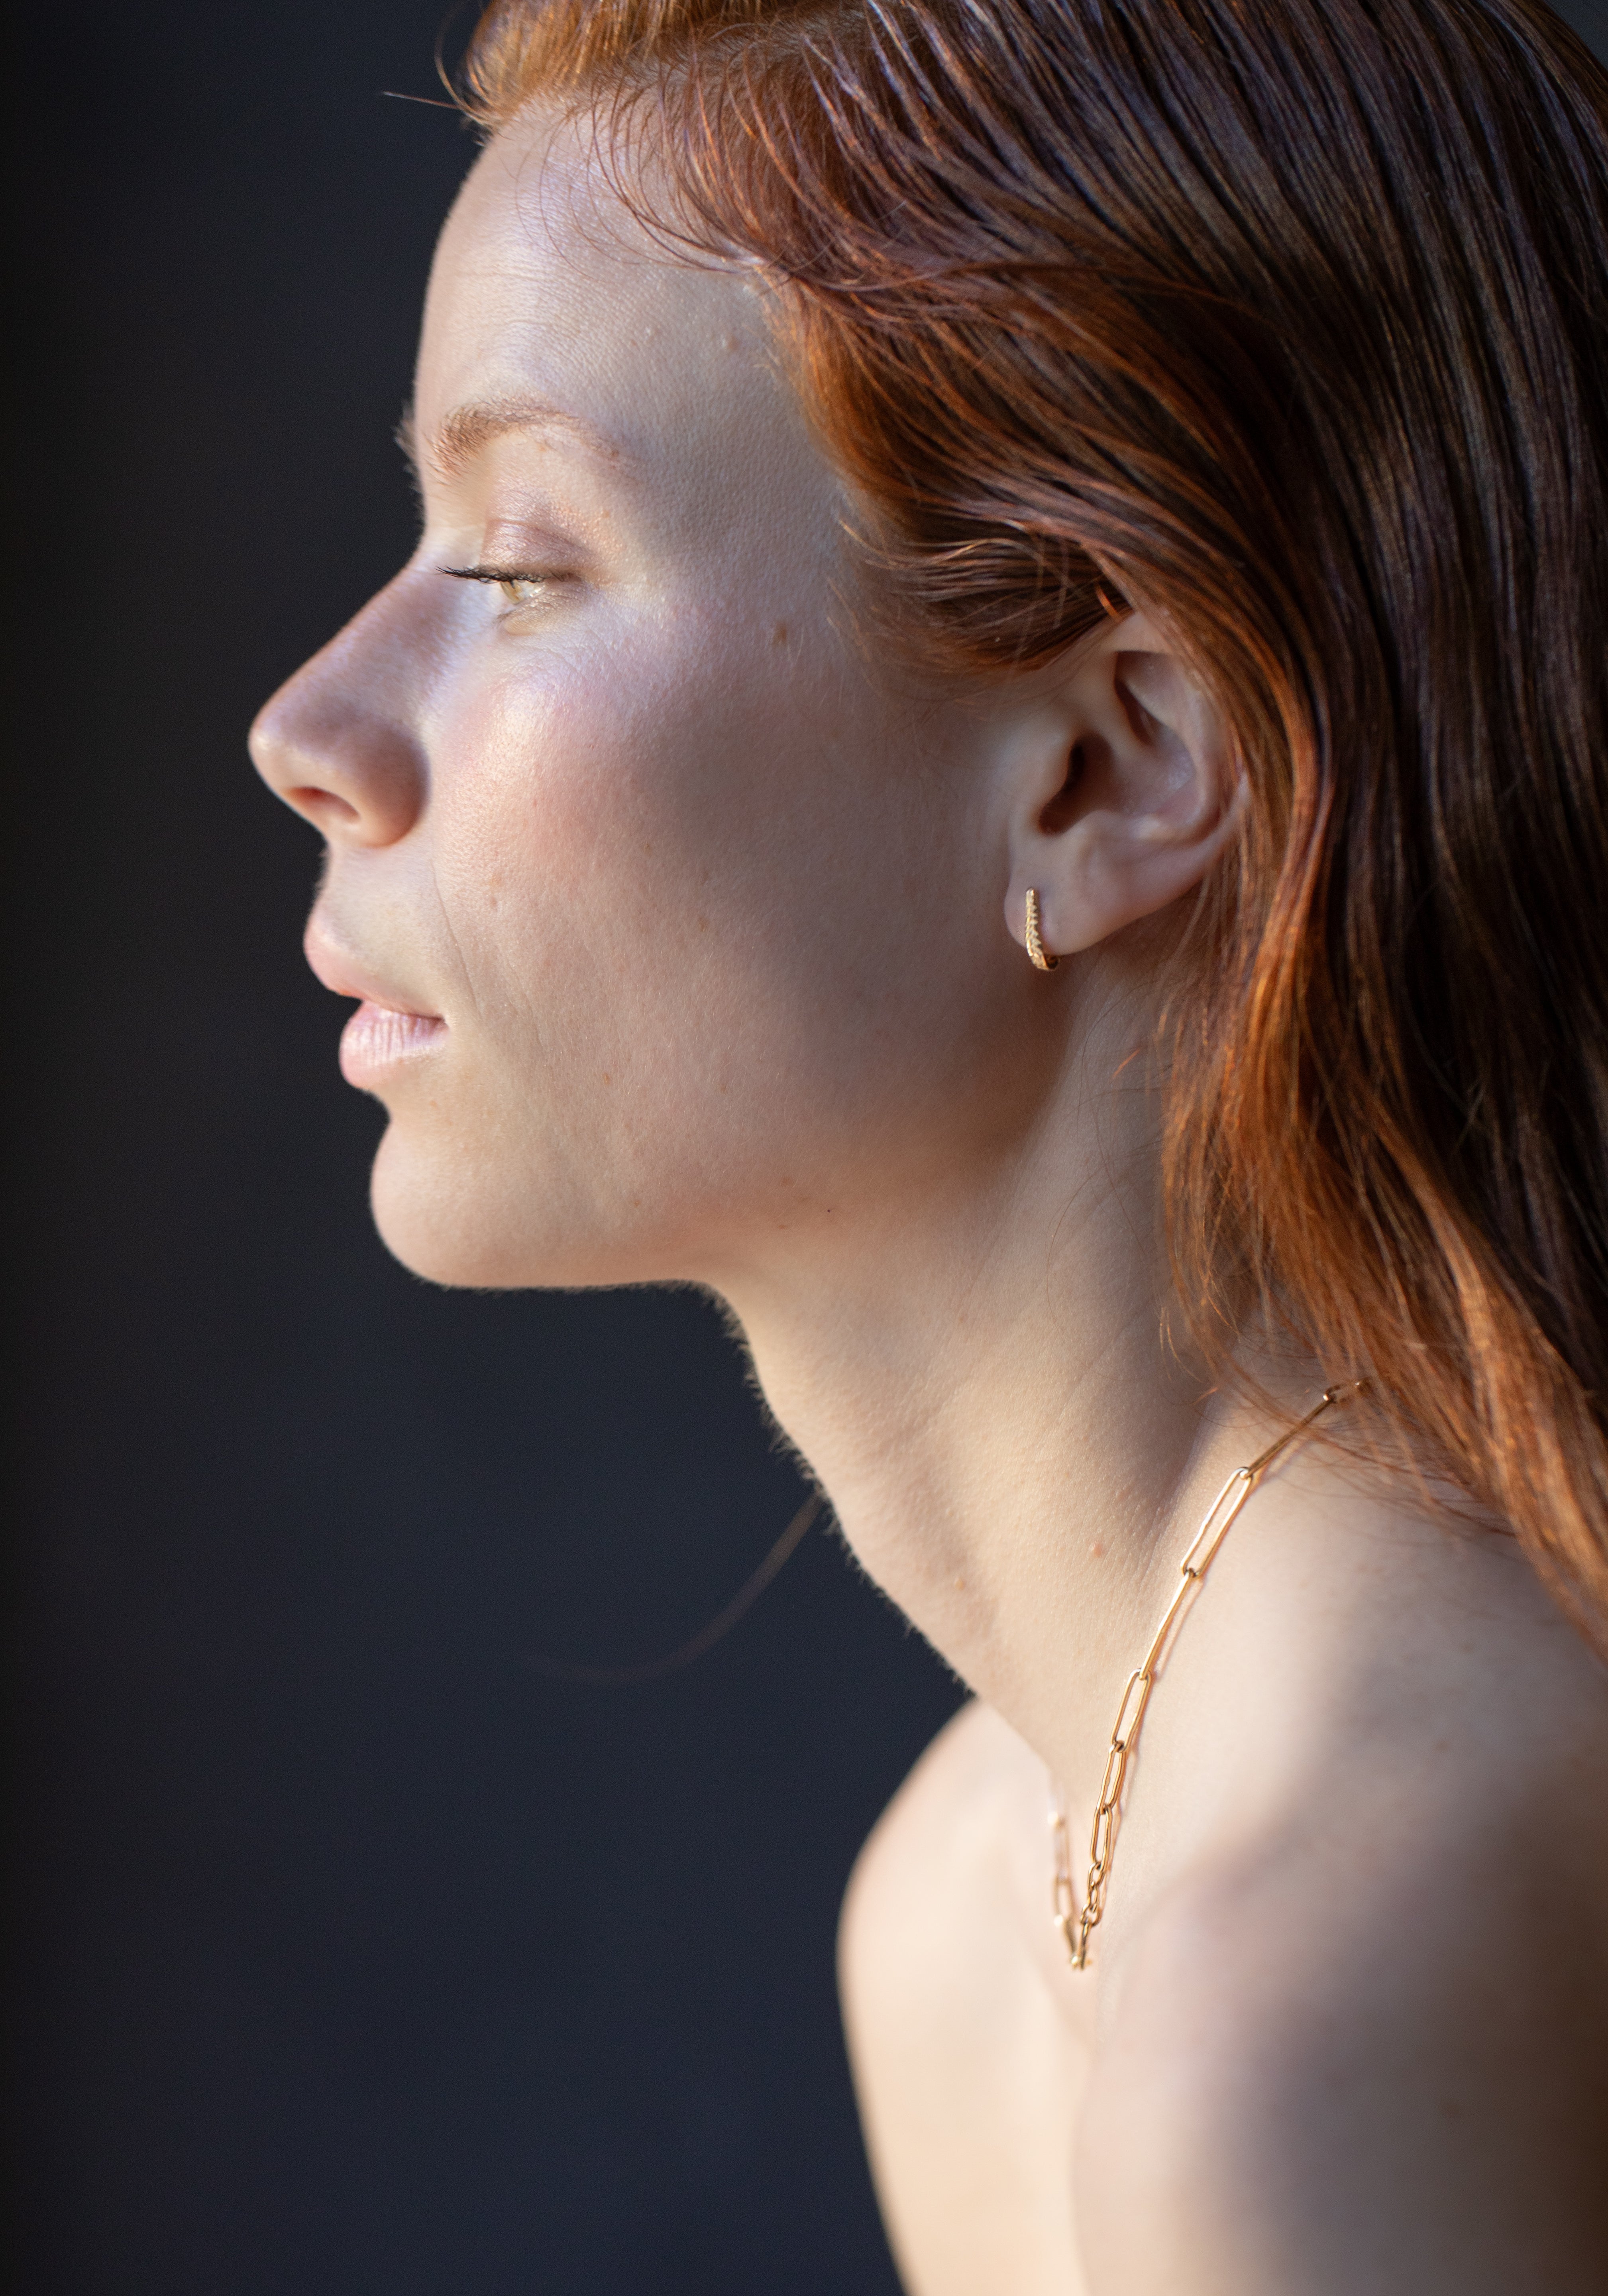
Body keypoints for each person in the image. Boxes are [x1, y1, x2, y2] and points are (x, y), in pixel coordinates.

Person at [249, 1, 1608, 2286]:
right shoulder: (982, 1902)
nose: (313, 729)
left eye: (518, 564)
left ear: (1105, 771)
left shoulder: (1314, 1982)